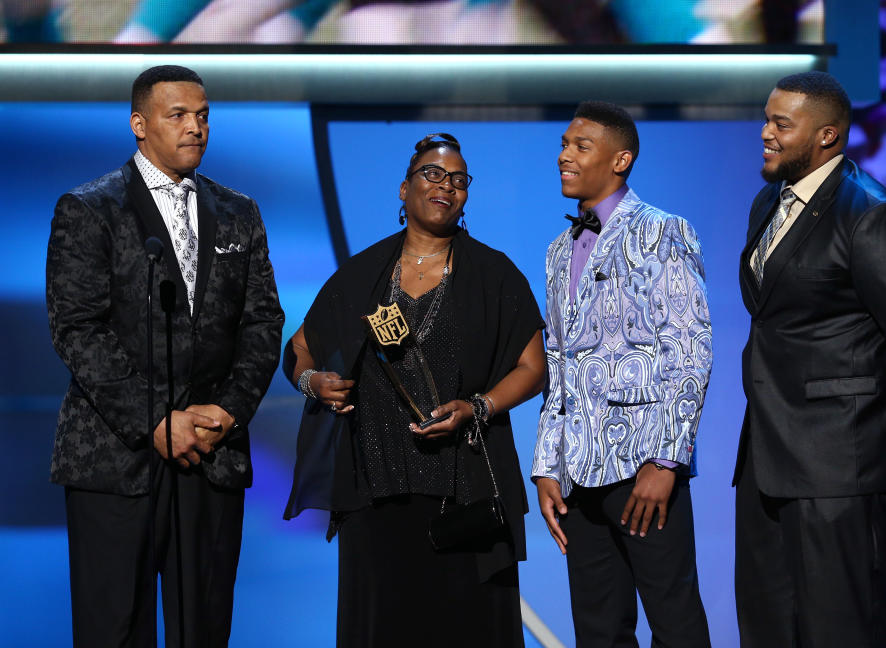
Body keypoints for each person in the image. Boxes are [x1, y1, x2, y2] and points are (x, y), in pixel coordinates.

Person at [46, 65, 284, 646]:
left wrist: (226, 412)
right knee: (114, 630)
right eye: (178, 115)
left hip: (210, 453)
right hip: (116, 459)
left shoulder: (238, 212)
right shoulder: (89, 209)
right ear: (139, 124)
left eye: (203, 116)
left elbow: (263, 321)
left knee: (202, 628)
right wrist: (155, 421)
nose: (195, 127)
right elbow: (78, 328)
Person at [282, 133, 546, 647]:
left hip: (463, 491)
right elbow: (299, 349)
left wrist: (477, 407)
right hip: (375, 491)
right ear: (403, 190)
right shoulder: (362, 273)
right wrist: (313, 383)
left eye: (458, 179)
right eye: (432, 174)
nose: (446, 185)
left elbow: (533, 368)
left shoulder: (495, 274)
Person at [733, 70, 886, 647]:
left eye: (782, 123)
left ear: (827, 136)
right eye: (766, 119)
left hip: (841, 464)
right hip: (767, 456)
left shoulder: (869, 214)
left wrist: (882, 416)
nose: (766, 133)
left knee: (841, 631)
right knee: (768, 626)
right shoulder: (768, 202)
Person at [533, 100, 713, 646]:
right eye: (564, 144)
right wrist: (546, 463)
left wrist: (666, 461)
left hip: (643, 469)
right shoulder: (559, 251)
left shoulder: (662, 232)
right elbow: (558, 362)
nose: (564, 155)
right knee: (598, 629)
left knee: (674, 621)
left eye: (580, 146)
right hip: (577, 477)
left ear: (620, 160)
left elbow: (691, 348)